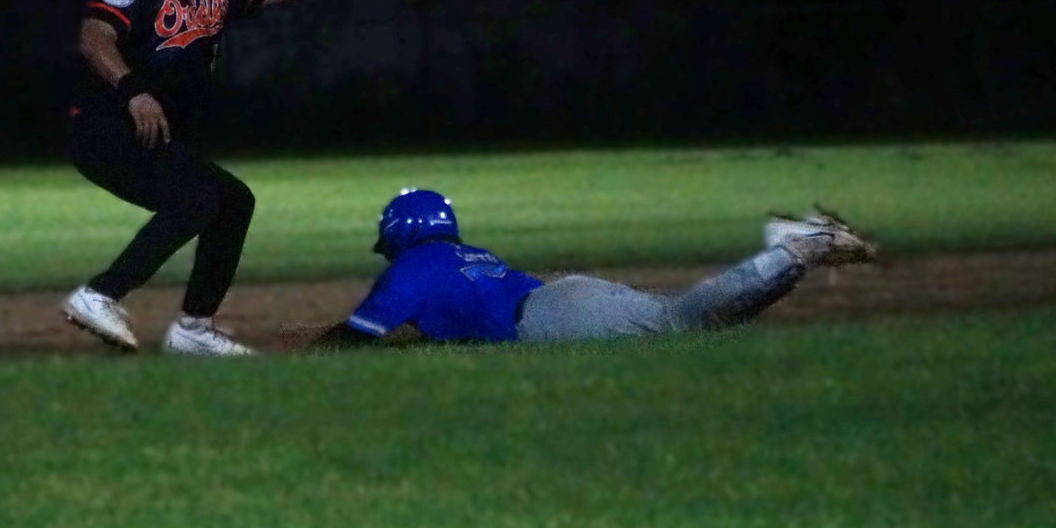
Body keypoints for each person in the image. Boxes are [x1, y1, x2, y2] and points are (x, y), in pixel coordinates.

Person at [63, 0, 354, 356]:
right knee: (196, 200)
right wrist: (133, 90)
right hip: (102, 130)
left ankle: (194, 329)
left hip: (149, 138)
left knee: (233, 201)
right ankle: (99, 294)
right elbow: (95, 38)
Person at [310, 189, 880, 348]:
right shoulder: (464, 255)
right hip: (563, 302)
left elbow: (356, 339)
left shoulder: (413, 268)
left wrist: (307, 347)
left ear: (400, 237)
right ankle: (790, 252)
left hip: (551, 319)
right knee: (679, 324)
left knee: (682, 323)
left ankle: (793, 248)